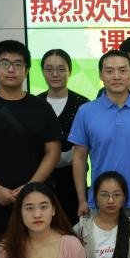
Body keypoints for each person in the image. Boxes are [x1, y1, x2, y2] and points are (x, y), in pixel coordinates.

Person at [0, 40, 62, 252]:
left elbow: (53, 152)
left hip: (37, 201)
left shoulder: (41, 107)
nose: (11, 69)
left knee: (39, 256)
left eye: (18, 64)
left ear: (27, 69)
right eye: (5, 63)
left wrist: (31, 188)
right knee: (1, 257)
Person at [70, 50, 130, 239]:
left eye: (122, 71)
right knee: (101, 254)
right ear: (100, 75)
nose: (116, 76)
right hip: (101, 200)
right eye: (109, 71)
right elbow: (79, 157)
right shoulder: (86, 111)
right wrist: (82, 199)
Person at [35, 49, 90, 226]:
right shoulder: (34, 104)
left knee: (75, 229)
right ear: (42, 71)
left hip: (74, 180)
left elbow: (86, 145)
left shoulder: (83, 104)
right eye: (49, 69)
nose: (55, 74)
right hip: (42, 179)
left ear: (70, 71)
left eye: (61, 69)